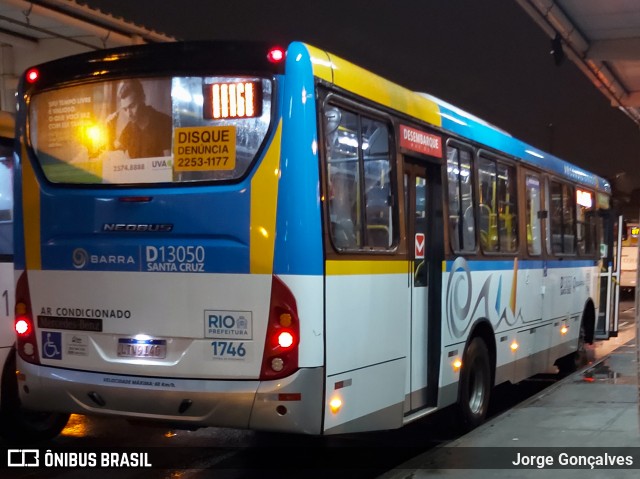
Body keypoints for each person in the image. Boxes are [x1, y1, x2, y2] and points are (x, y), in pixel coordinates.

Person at [108, 79, 172, 158]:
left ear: (142, 98)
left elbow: (169, 165)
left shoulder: (164, 123)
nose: (129, 114)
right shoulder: (129, 129)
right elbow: (114, 152)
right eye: (125, 109)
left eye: (132, 106)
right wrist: (110, 128)